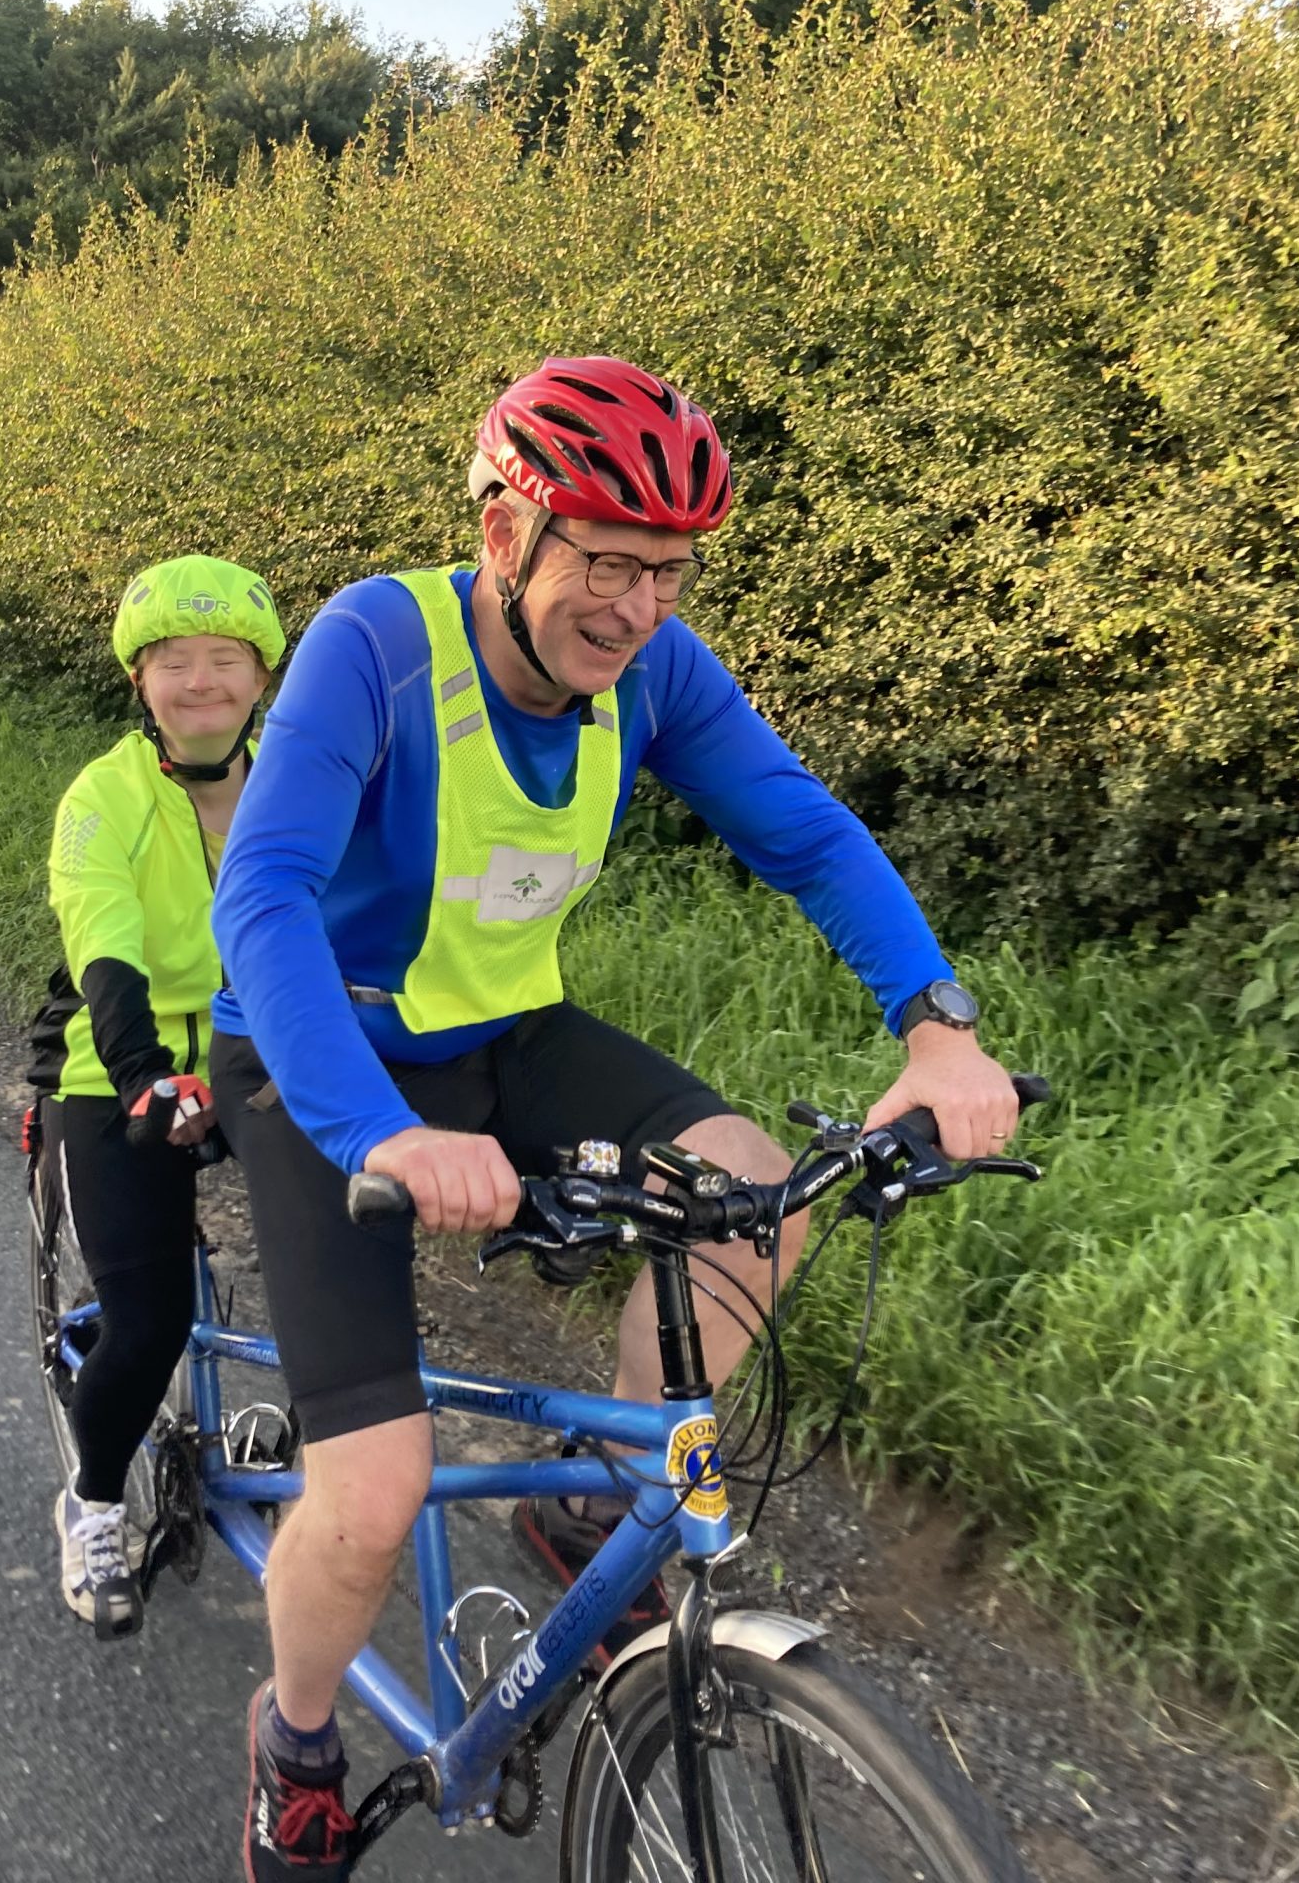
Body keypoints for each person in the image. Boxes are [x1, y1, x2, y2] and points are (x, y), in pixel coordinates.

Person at [208, 357, 1023, 1880]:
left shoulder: (656, 671)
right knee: (375, 1490)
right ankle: (297, 1744)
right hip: (323, 1055)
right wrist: (378, 1133)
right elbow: (261, 898)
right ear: (508, 533)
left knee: (755, 1189)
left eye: (668, 571)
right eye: (607, 561)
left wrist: (938, 1026)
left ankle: (606, 1523)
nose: (638, 605)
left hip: (508, 1032)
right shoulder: (376, 645)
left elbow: (806, 832)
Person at [26, 554, 285, 1636]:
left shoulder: (297, 778)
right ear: (140, 681)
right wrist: (140, 1078)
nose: (198, 682)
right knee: (150, 1320)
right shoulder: (107, 796)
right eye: (171, 661)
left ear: (260, 678)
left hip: (260, 1056)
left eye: (222, 659)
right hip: (118, 1070)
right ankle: (89, 1502)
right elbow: (106, 946)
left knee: (352, 1274)